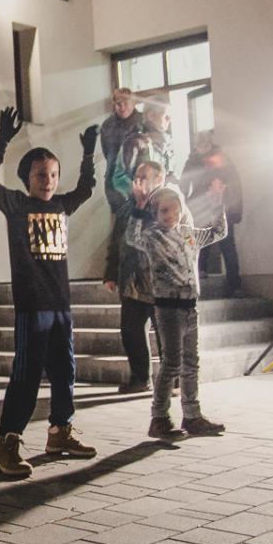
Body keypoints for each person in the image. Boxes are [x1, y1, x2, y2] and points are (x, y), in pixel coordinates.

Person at [0, 107, 98, 480]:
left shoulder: (62, 205)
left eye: (52, 174)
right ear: (26, 178)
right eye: (40, 175)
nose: (48, 180)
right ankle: (6, 444)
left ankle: (60, 431)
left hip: (61, 305)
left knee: (65, 371)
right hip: (32, 307)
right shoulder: (17, 204)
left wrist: (88, 154)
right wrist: (2, 141)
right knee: (27, 375)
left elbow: (86, 188)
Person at [127, 184, 228, 439]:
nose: (170, 215)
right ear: (155, 213)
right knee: (171, 363)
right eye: (164, 211)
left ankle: (192, 416)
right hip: (168, 308)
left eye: (174, 210)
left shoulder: (189, 234)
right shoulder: (152, 237)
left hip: (190, 307)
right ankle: (159, 417)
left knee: (191, 363)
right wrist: (138, 209)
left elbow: (219, 232)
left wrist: (218, 205)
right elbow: (132, 237)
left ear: (182, 210)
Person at [103, 161, 166, 394]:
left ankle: (173, 379)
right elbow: (117, 241)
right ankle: (140, 378)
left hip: (160, 282)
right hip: (132, 281)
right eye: (136, 177)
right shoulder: (127, 207)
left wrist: (143, 205)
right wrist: (111, 273)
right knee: (131, 331)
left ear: (159, 179)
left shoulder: (167, 203)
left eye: (144, 177)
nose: (138, 182)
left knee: (166, 334)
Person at [183, 132, 244, 296]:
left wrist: (234, 209)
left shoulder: (220, 159)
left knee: (226, 245)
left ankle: (234, 284)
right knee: (202, 242)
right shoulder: (193, 161)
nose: (202, 146)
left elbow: (234, 184)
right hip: (202, 207)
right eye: (200, 143)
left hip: (220, 206)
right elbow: (184, 184)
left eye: (205, 143)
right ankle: (202, 273)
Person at [112, 95, 175, 199]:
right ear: (151, 115)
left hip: (160, 201)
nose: (169, 120)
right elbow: (119, 179)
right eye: (166, 116)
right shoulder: (135, 142)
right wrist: (141, 192)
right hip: (140, 203)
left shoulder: (166, 145)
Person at [100, 87, 141, 214]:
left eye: (126, 103)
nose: (122, 107)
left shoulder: (144, 122)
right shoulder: (107, 125)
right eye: (118, 103)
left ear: (133, 103)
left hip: (140, 181)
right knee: (120, 219)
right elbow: (106, 152)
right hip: (114, 182)